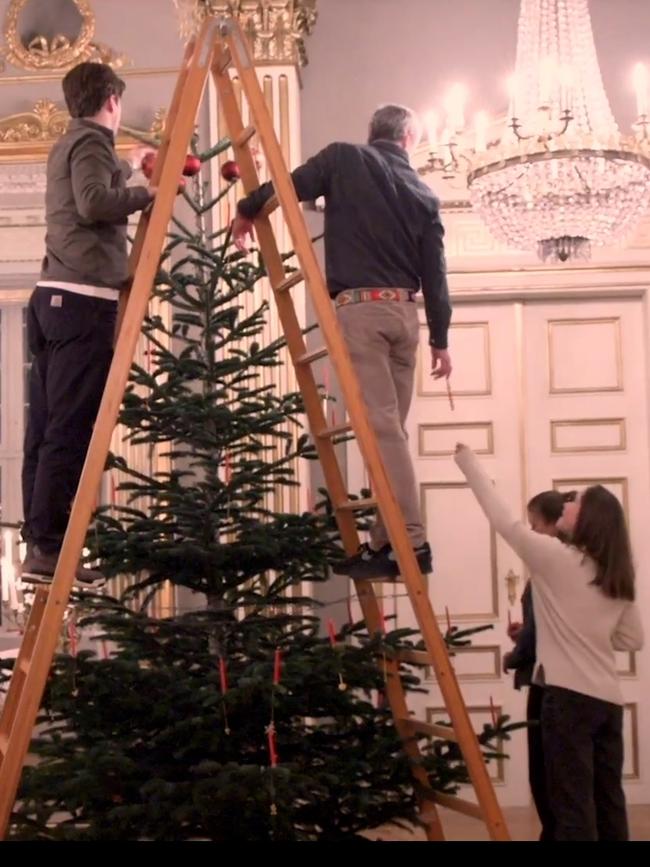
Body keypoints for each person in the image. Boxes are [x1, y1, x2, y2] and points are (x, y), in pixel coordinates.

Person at [232, 104, 452, 580]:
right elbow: (435, 274)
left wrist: (247, 210)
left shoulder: (345, 160)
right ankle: (383, 543)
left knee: (384, 433)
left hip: (363, 311)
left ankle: (413, 544)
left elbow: (287, 190)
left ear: (371, 132)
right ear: (410, 139)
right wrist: (440, 339)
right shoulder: (423, 193)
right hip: (404, 315)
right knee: (389, 434)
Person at [455, 444, 644, 841]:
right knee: (608, 803)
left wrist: (468, 462)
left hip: (568, 700)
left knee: (571, 808)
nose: (566, 503)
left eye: (574, 501)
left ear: (587, 519)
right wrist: (578, 626)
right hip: (607, 703)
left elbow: (504, 521)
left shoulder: (558, 558)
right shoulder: (617, 573)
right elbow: (631, 638)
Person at [21, 62, 156, 587]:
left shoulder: (71, 143)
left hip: (53, 298)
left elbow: (90, 188)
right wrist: (148, 189)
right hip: (82, 302)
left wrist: (126, 168)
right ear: (113, 101)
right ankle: (53, 548)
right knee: (70, 431)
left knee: (46, 430)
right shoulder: (93, 142)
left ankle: (42, 546)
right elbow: (94, 201)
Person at [504, 489, 575, 841]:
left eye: (535, 524)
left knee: (545, 776)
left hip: (547, 685)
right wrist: (525, 635)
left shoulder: (549, 571)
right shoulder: (582, 565)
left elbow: (538, 636)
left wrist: (513, 656)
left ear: (552, 524)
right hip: (571, 684)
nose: (531, 532)